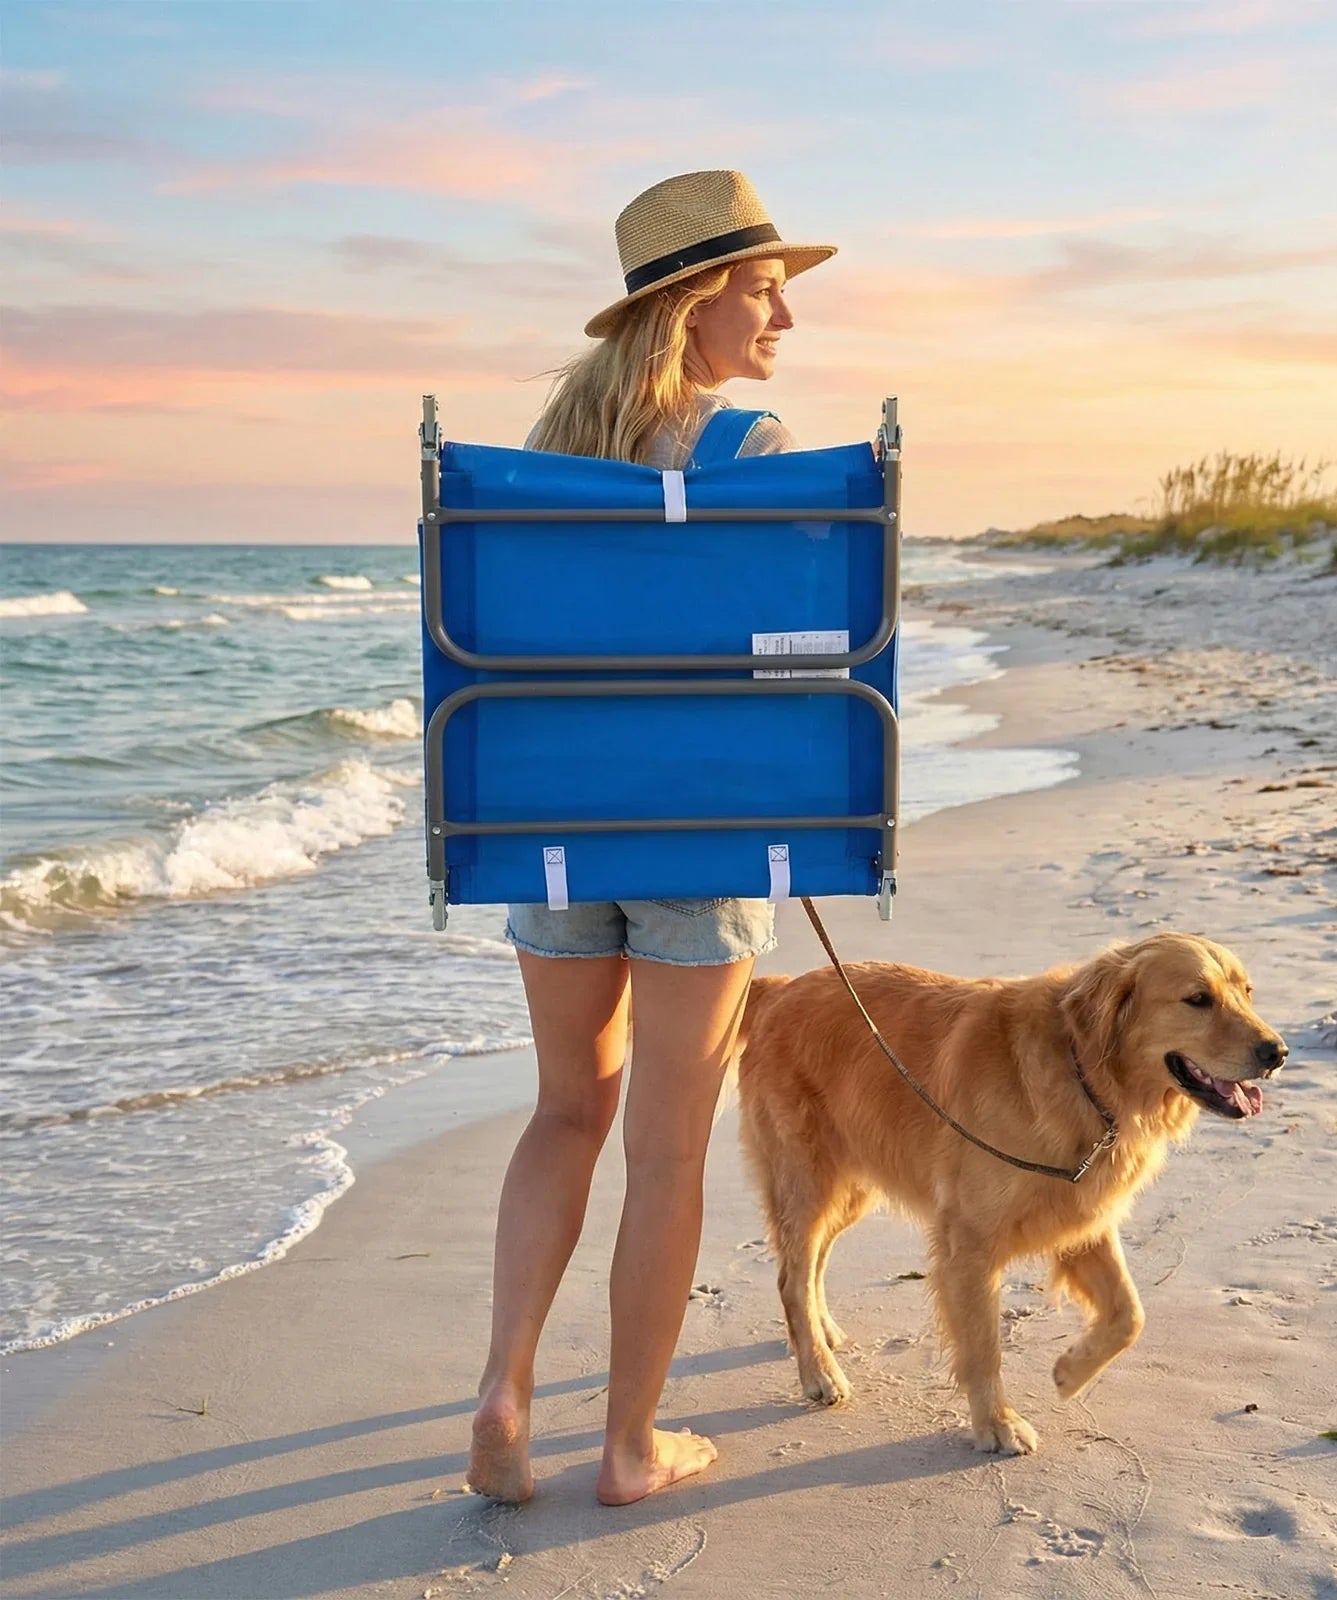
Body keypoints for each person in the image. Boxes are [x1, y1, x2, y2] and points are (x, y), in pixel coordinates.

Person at [466, 170, 836, 1507]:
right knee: (667, 1147)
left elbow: (502, 659)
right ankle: (629, 1448)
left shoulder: (534, 466)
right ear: (691, 308)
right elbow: (798, 656)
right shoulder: (752, 451)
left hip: (557, 823)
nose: (783, 310)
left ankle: (507, 1388)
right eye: (761, 285)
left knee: (567, 1109)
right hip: (700, 831)